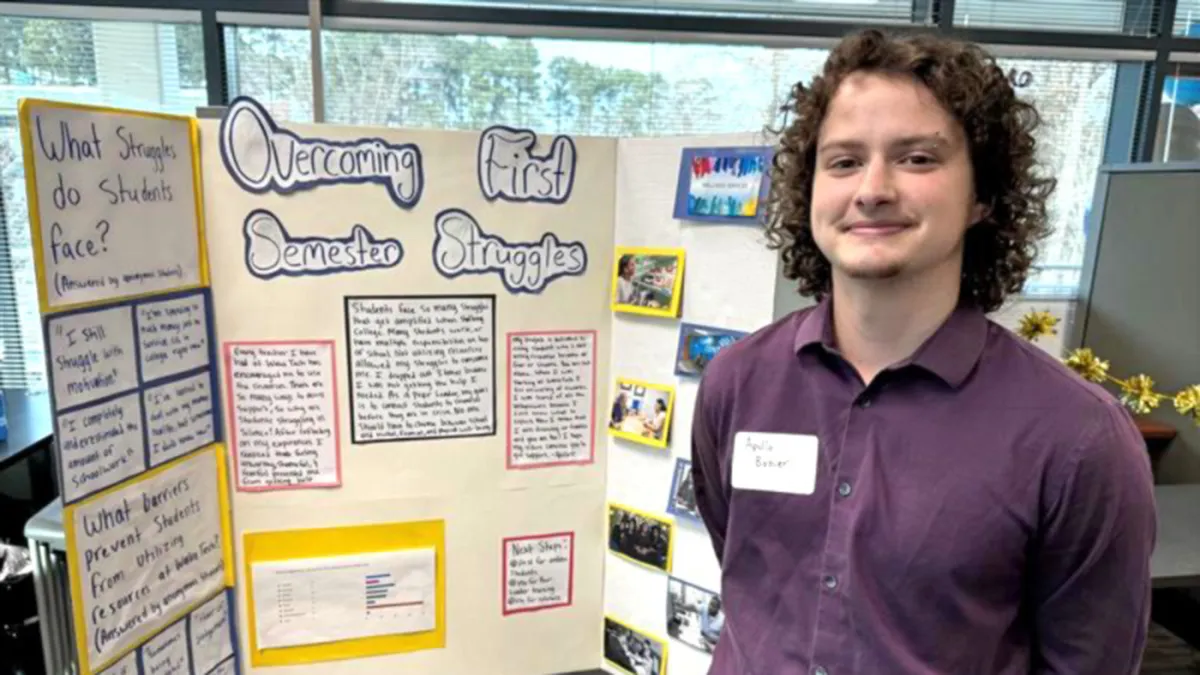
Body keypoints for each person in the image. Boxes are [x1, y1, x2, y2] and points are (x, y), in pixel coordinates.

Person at [690, 29, 1156, 675]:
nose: (872, 189)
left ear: (982, 196)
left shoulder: (1076, 437)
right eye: (844, 161)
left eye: (916, 158)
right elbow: (744, 576)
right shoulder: (738, 381)